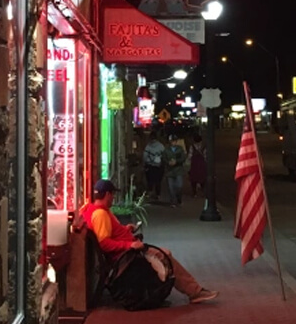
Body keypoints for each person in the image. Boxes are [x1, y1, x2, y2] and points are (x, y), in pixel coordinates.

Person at [83, 179, 219, 304]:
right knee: (164, 255)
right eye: (112, 194)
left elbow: (108, 234)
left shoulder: (90, 209)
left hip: (127, 252)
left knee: (166, 254)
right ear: (107, 194)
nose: (113, 198)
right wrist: (130, 244)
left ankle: (192, 290)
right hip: (126, 256)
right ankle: (194, 292)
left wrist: (125, 229)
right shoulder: (101, 214)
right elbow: (104, 243)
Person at [163, 133, 187, 207]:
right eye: (171, 141)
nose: (173, 143)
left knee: (179, 186)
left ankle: (179, 198)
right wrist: (168, 162)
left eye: (174, 141)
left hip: (178, 170)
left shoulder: (180, 149)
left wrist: (177, 161)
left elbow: (183, 158)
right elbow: (163, 158)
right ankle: (173, 201)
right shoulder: (166, 150)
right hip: (169, 171)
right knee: (171, 187)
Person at [142, 130, 165, 199]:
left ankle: (150, 192)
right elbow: (164, 155)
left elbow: (145, 156)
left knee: (150, 180)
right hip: (159, 166)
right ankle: (158, 194)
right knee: (158, 181)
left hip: (150, 166)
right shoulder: (161, 146)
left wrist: (145, 163)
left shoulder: (148, 146)